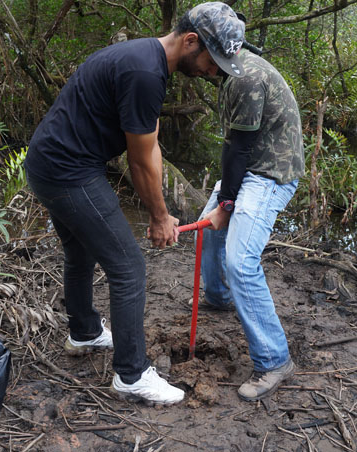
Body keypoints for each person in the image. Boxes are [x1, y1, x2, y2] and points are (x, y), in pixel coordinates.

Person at [24, 2, 246, 406]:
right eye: (213, 62)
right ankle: (131, 374)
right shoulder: (144, 73)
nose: (214, 73)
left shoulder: (147, 61)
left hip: (48, 163)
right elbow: (139, 161)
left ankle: (85, 332)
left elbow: (150, 143)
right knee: (129, 268)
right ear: (190, 41)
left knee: (80, 253)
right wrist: (159, 217)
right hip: (68, 171)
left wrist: (163, 210)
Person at [199, 45, 305, 401]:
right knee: (206, 230)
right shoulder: (231, 71)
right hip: (251, 165)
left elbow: (240, 148)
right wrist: (223, 202)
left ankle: (275, 361)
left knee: (241, 263)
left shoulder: (246, 78)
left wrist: (226, 204)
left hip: (271, 173)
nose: (198, 68)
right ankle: (220, 298)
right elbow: (233, 144)